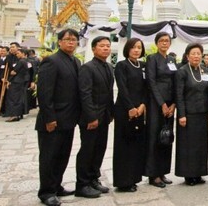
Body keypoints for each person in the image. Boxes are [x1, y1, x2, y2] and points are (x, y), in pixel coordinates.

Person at [35, 29, 82, 206]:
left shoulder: (76, 61)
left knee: (63, 155)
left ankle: (56, 185)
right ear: (60, 42)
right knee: (49, 156)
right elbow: (44, 93)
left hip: (69, 118)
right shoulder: (51, 61)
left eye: (74, 39)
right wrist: (49, 118)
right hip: (53, 119)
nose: (71, 42)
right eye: (67, 39)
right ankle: (46, 192)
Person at [75, 36, 115, 198]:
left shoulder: (108, 67)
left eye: (108, 46)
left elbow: (109, 93)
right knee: (87, 150)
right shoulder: (87, 68)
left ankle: (93, 179)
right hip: (91, 117)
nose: (105, 48)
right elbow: (85, 94)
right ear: (93, 49)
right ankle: (82, 184)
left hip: (104, 116)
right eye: (102, 46)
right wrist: (91, 117)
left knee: (100, 148)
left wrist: (111, 113)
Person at [175, 43, 208, 186]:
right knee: (188, 146)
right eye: (193, 53)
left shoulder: (205, 70)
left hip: (202, 114)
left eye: (199, 53)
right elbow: (178, 94)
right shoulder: (182, 71)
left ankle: (198, 173)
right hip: (188, 114)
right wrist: (181, 114)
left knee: (200, 146)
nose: (196, 56)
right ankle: (188, 175)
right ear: (187, 56)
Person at [113, 38, 148, 193]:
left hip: (140, 110)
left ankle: (134, 178)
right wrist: (130, 107)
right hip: (124, 110)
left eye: (139, 47)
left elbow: (146, 88)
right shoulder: (122, 65)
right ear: (128, 49)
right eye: (133, 47)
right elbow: (122, 88)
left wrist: (142, 105)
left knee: (136, 145)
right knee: (124, 145)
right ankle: (123, 181)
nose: (136, 50)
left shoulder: (144, 66)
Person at [144, 32, 177, 188]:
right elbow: (151, 82)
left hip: (170, 105)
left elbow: (175, 81)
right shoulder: (152, 59)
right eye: (162, 41)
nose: (165, 43)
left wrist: (173, 104)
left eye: (167, 41)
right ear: (157, 43)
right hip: (156, 104)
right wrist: (162, 104)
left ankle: (163, 172)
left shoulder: (171, 59)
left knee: (166, 137)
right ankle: (153, 174)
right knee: (155, 137)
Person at [4, 48, 30, 122]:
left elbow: (14, 72)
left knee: (13, 98)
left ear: (23, 53)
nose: (17, 55)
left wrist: (9, 80)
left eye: (18, 53)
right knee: (18, 98)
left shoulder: (21, 61)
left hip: (16, 82)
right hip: (20, 81)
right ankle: (18, 114)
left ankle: (14, 115)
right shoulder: (25, 61)